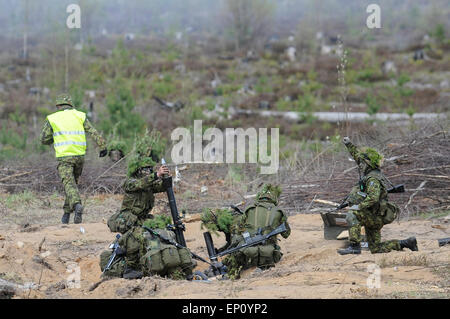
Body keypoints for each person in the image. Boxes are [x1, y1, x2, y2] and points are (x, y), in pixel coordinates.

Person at [100, 131, 194, 280]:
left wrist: (166, 179)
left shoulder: (148, 182)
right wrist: (155, 175)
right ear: (138, 171)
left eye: (150, 170)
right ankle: (130, 267)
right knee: (137, 237)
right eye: (146, 170)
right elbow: (140, 184)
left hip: (143, 218)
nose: (148, 172)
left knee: (164, 232)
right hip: (128, 220)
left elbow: (159, 187)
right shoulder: (130, 181)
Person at [337, 137, 418, 255]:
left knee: (352, 214)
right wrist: (349, 144)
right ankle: (406, 243)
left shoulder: (372, 179)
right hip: (374, 215)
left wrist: (358, 207)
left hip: (374, 216)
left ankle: (354, 246)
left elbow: (373, 198)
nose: (360, 165)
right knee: (376, 248)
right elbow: (358, 157)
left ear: (368, 163)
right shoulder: (371, 172)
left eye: (363, 163)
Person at [40, 93, 107, 224]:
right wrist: (102, 146)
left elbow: (44, 140)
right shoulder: (80, 115)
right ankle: (66, 215)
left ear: (58, 105)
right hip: (79, 156)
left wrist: (54, 136)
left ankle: (77, 205)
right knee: (72, 185)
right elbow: (92, 131)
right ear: (70, 105)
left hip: (64, 157)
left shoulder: (53, 118)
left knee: (68, 184)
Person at [220, 184, 291, 279]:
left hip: (247, 254)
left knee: (235, 257)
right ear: (274, 199)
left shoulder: (249, 209)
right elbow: (286, 234)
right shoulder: (279, 212)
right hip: (269, 256)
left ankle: (230, 275)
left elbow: (238, 230)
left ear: (259, 198)